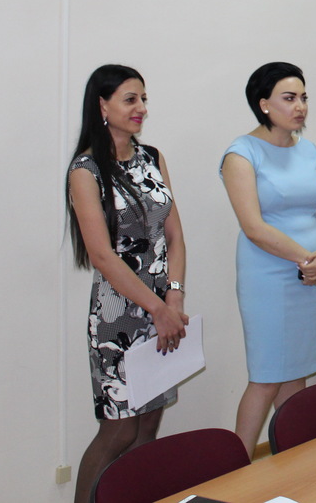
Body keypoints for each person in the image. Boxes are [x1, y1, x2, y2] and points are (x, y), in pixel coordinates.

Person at [66, 65, 188, 503]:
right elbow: (102, 256)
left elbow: (174, 236)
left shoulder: (151, 157)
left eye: (143, 99)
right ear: (103, 105)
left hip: (164, 310)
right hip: (119, 317)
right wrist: (158, 309)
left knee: (149, 425)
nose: (141, 109)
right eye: (130, 100)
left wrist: (174, 296)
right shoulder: (85, 170)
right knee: (119, 430)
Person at [220, 62, 316, 457]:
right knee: (267, 375)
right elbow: (253, 227)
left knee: (296, 372)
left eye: (303, 97)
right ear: (264, 104)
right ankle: (234, 471)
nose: (300, 106)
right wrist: (309, 259)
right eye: (289, 98)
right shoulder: (241, 153)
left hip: (312, 276)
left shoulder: (309, 150)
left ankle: (293, 463)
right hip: (269, 276)